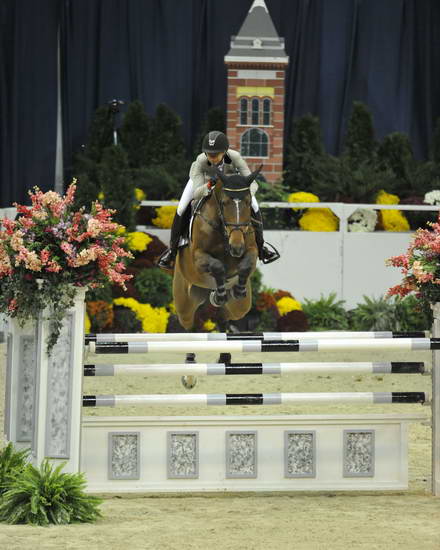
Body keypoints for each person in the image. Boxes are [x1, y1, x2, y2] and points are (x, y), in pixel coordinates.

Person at [157, 130, 280, 270]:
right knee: (181, 208)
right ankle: (172, 251)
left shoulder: (235, 157)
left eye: (216, 154)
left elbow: (253, 183)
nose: (212, 157)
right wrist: (209, 185)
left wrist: (244, 195)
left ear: (225, 151)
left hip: (231, 187)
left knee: (254, 206)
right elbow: (197, 192)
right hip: (203, 181)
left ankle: (262, 247)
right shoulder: (200, 161)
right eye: (209, 154)